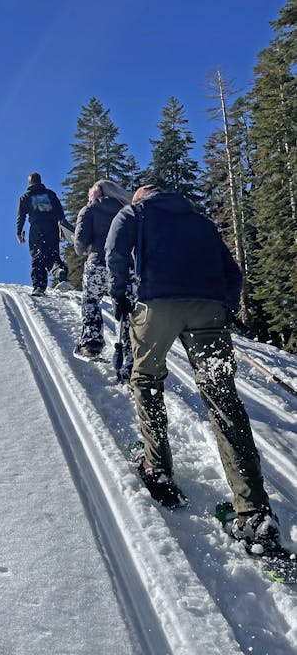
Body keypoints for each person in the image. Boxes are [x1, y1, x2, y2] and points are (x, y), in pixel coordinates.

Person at [105, 184, 282, 555]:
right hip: (208, 311)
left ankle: (157, 466)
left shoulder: (134, 213)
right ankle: (253, 512)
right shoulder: (200, 223)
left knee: (147, 380)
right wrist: (226, 307)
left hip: (157, 306)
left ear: (139, 197)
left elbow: (114, 252)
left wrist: (119, 294)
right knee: (222, 399)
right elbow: (232, 273)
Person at [73, 179, 133, 379]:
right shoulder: (127, 210)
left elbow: (80, 243)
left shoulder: (88, 210)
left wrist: (84, 249)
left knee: (91, 299)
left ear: (95, 193)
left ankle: (92, 342)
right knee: (127, 309)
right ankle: (129, 353)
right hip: (125, 267)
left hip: (98, 263)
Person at [16, 172, 69, 296]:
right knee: (53, 254)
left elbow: (21, 216)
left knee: (37, 257)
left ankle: (39, 286)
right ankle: (59, 272)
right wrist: (62, 230)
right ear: (40, 181)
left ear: (29, 183)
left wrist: (19, 232)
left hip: (36, 228)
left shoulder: (26, 196)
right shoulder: (50, 194)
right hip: (52, 227)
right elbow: (60, 214)